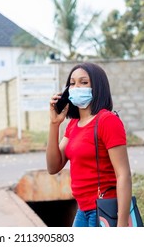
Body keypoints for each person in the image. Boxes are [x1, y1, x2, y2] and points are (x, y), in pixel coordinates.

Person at [46, 62, 132, 227]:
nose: (76, 87)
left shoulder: (107, 121)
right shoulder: (73, 125)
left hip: (103, 209)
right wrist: (54, 124)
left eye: (83, 82)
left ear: (97, 87)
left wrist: (121, 225)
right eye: (72, 83)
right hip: (83, 210)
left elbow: (123, 175)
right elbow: (53, 167)